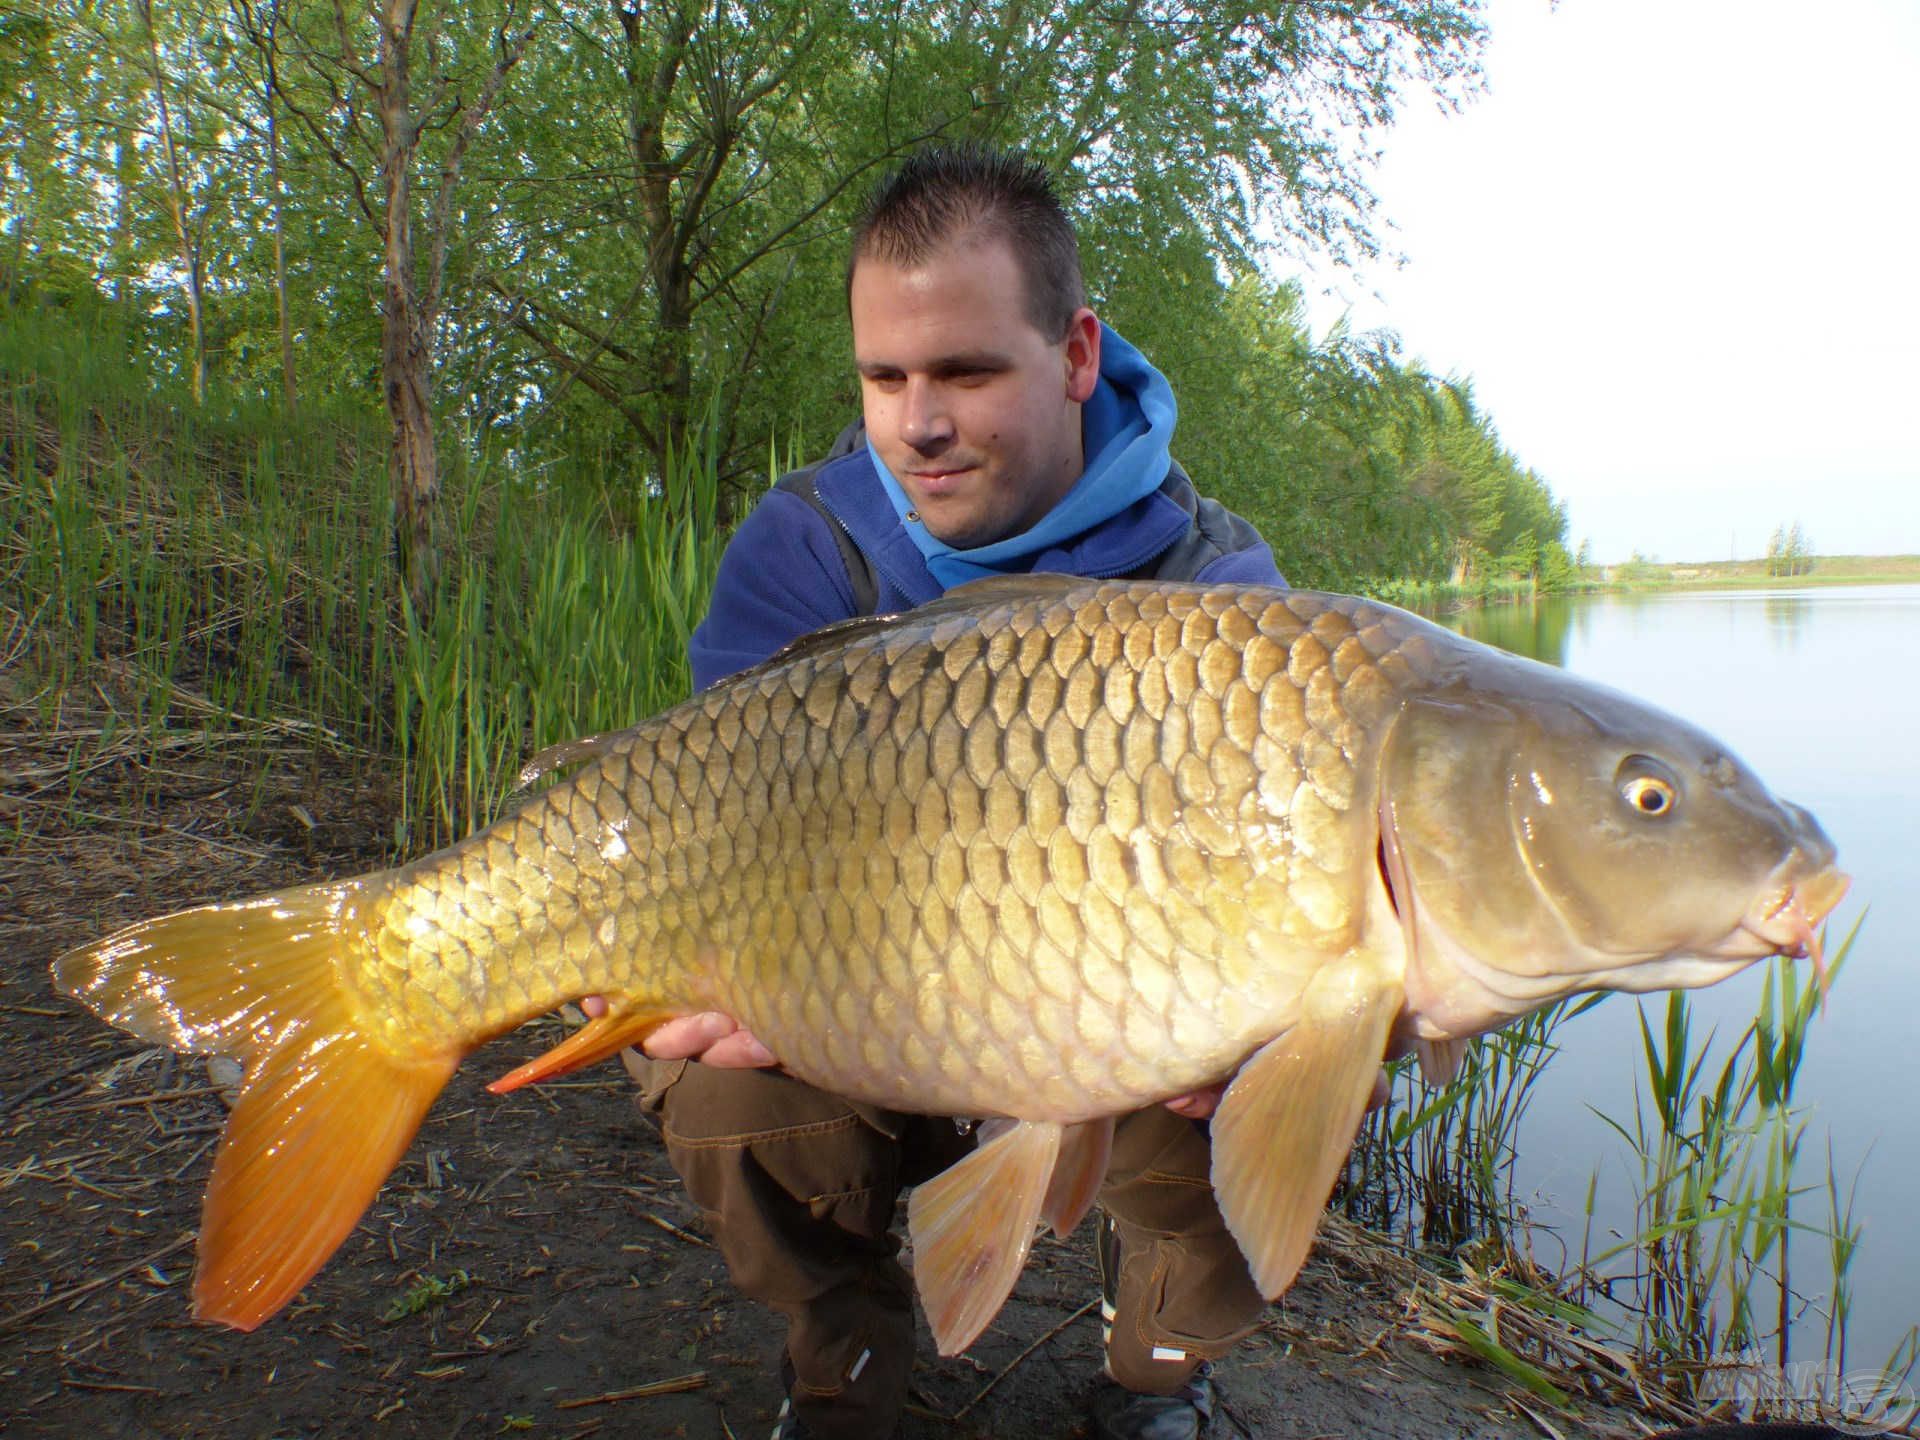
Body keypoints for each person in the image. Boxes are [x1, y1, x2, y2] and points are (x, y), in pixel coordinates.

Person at [630, 143, 1285, 1440]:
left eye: (967, 372)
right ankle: (847, 1365)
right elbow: (714, 821)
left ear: (1077, 356)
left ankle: (1159, 1369)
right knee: (721, 1084)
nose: (918, 422)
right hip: (863, 1001)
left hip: (1113, 1033)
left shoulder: (1217, 592)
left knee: (1265, 1043)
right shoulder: (806, 547)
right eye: (887, 377)